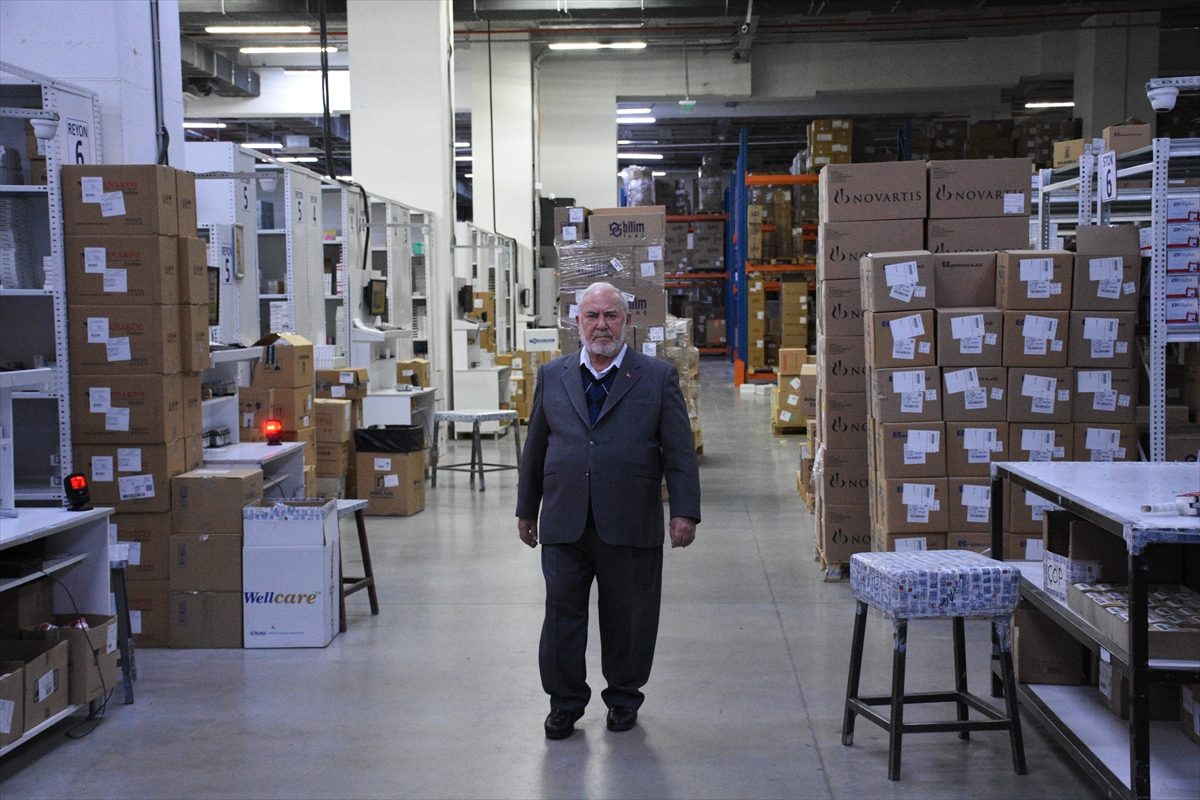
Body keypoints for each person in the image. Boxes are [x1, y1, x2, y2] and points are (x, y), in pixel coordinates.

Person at [516, 281, 701, 740]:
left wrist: (684, 512)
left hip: (630, 518)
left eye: (611, 315)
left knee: (629, 617)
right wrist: (526, 509)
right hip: (565, 519)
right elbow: (535, 448)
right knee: (561, 617)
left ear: (627, 321)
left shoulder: (656, 377)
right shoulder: (553, 375)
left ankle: (623, 697)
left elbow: (680, 452)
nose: (601, 325)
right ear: (577, 322)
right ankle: (564, 703)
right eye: (592, 316)